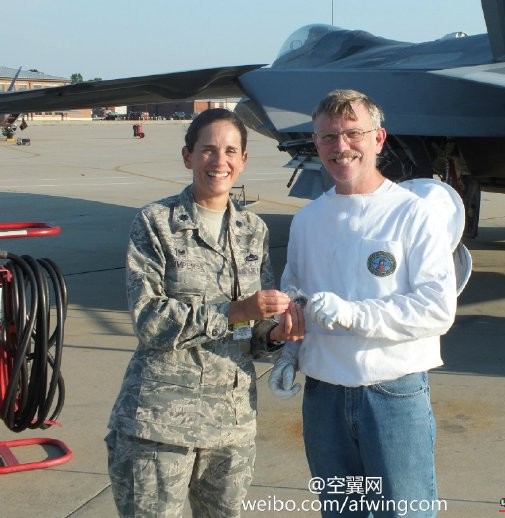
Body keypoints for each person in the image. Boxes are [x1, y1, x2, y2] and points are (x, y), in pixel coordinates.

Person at [270, 90, 462, 517]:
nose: (341, 146)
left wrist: (354, 314)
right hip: (323, 397)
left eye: (353, 133)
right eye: (328, 137)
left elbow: (436, 308)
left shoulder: (413, 214)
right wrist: (288, 352)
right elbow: (295, 298)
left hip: (391, 393)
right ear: (316, 143)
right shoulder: (307, 221)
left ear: (378, 138)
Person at [106, 108, 304, 517]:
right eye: (208, 150)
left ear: (243, 160)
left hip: (231, 425)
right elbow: (150, 320)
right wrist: (237, 310)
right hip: (160, 424)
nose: (219, 161)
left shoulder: (253, 231)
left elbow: (251, 333)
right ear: (188, 156)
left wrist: (274, 334)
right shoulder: (156, 223)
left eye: (230, 151)